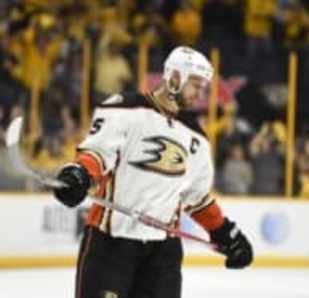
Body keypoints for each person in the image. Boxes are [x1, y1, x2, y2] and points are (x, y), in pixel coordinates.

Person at [53, 46, 253, 298]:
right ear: (174, 77)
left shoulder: (197, 139)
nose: (199, 94)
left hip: (162, 257)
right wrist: (80, 174)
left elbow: (196, 198)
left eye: (202, 87)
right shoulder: (124, 109)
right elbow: (97, 154)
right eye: (195, 84)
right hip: (111, 245)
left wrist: (225, 233)